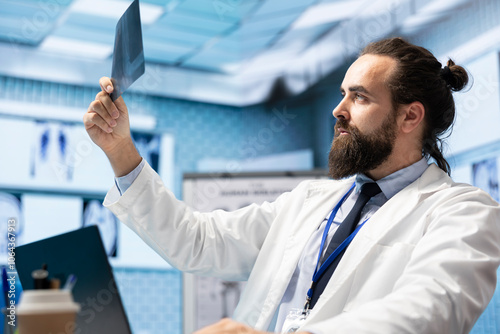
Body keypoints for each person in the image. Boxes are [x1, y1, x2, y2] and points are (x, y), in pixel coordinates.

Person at [83, 37, 500, 334]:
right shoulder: (311, 201)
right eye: (342, 94)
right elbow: (198, 241)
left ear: (410, 117)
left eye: (359, 97)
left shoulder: (463, 211)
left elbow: (429, 312)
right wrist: (121, 150)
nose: (338, 110)